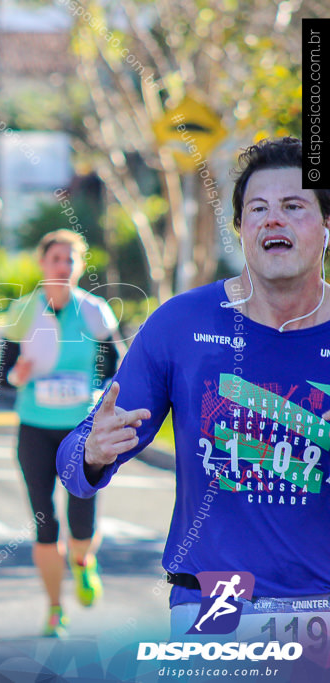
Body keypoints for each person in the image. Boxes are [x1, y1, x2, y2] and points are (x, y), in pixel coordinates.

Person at [57, 136, 330, 637]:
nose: (274, 219)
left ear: (327, 225)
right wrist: (93, 453)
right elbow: (73, 465)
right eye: (258, 208)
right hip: (216, 597)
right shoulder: (181, 324)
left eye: (294, 206)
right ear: (242, 228)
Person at [0, 229, 122, 637]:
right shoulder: (22, 311)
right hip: (34, 428)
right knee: (44, 522)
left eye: (70, 260)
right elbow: (4, 375)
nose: (63, 266)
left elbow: (113, 368)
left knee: (82, 517)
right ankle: (54, 608)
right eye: (56, 259)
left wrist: (101, 401)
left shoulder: (94, 312)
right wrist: (20, 373)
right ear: (42, 263)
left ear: (80, 266)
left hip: (81, 431)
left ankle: (84, 562)